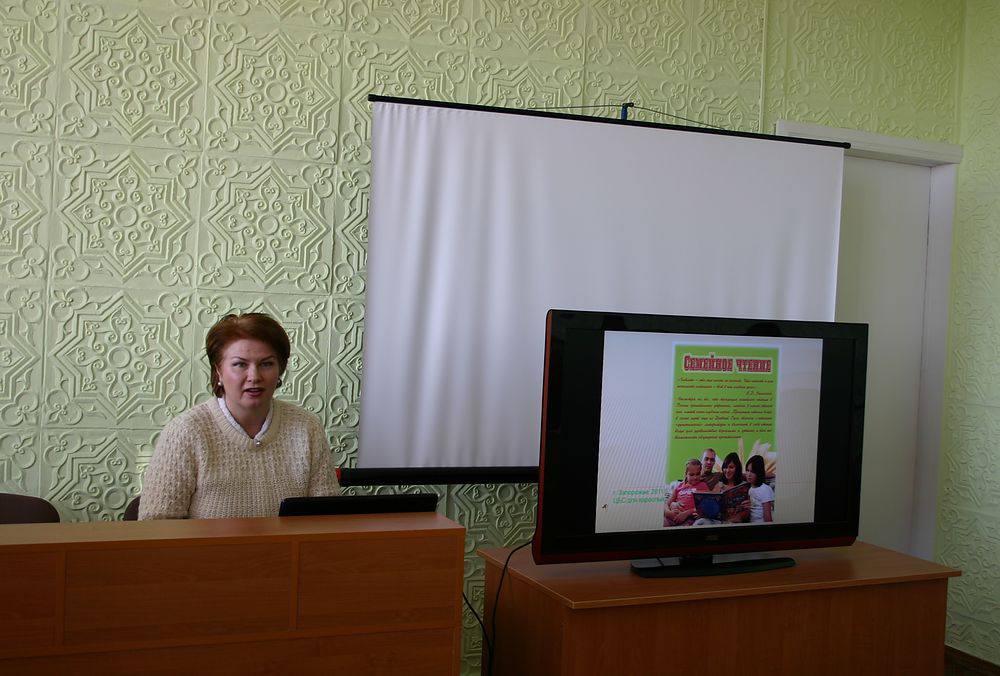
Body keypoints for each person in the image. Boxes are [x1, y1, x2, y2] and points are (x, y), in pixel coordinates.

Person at [139, 313, 340, 519]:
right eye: (240, 364)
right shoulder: (186, 431)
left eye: (266, 364)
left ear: (280, 369)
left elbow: (327, 518)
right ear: (218, 371)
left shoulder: (307, 427)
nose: (254, 377)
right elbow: (156, 524)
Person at [663, 459, 709, 527]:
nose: (695, 477)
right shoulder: (679, 486)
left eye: (698, 474)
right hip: (673, 516)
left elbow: (706, 505)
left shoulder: (703, 486)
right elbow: (666, 504)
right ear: (686, 474)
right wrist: (669, 513)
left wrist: (687, 513)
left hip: (689, 518)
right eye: (691, 474)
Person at [716, 451, 749, 523]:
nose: (727, 471)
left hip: (738, 521)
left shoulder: (745, 485)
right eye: (725, 467)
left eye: (731, 467)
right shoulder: (719, 485)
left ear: (737, 468)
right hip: (721, 521)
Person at [744, 454, 774, 523]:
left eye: (752, 472)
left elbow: (768, 518)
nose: (749, 474)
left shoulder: (765, 489)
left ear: (759, 472)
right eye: (747, 470)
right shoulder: (750, 489)